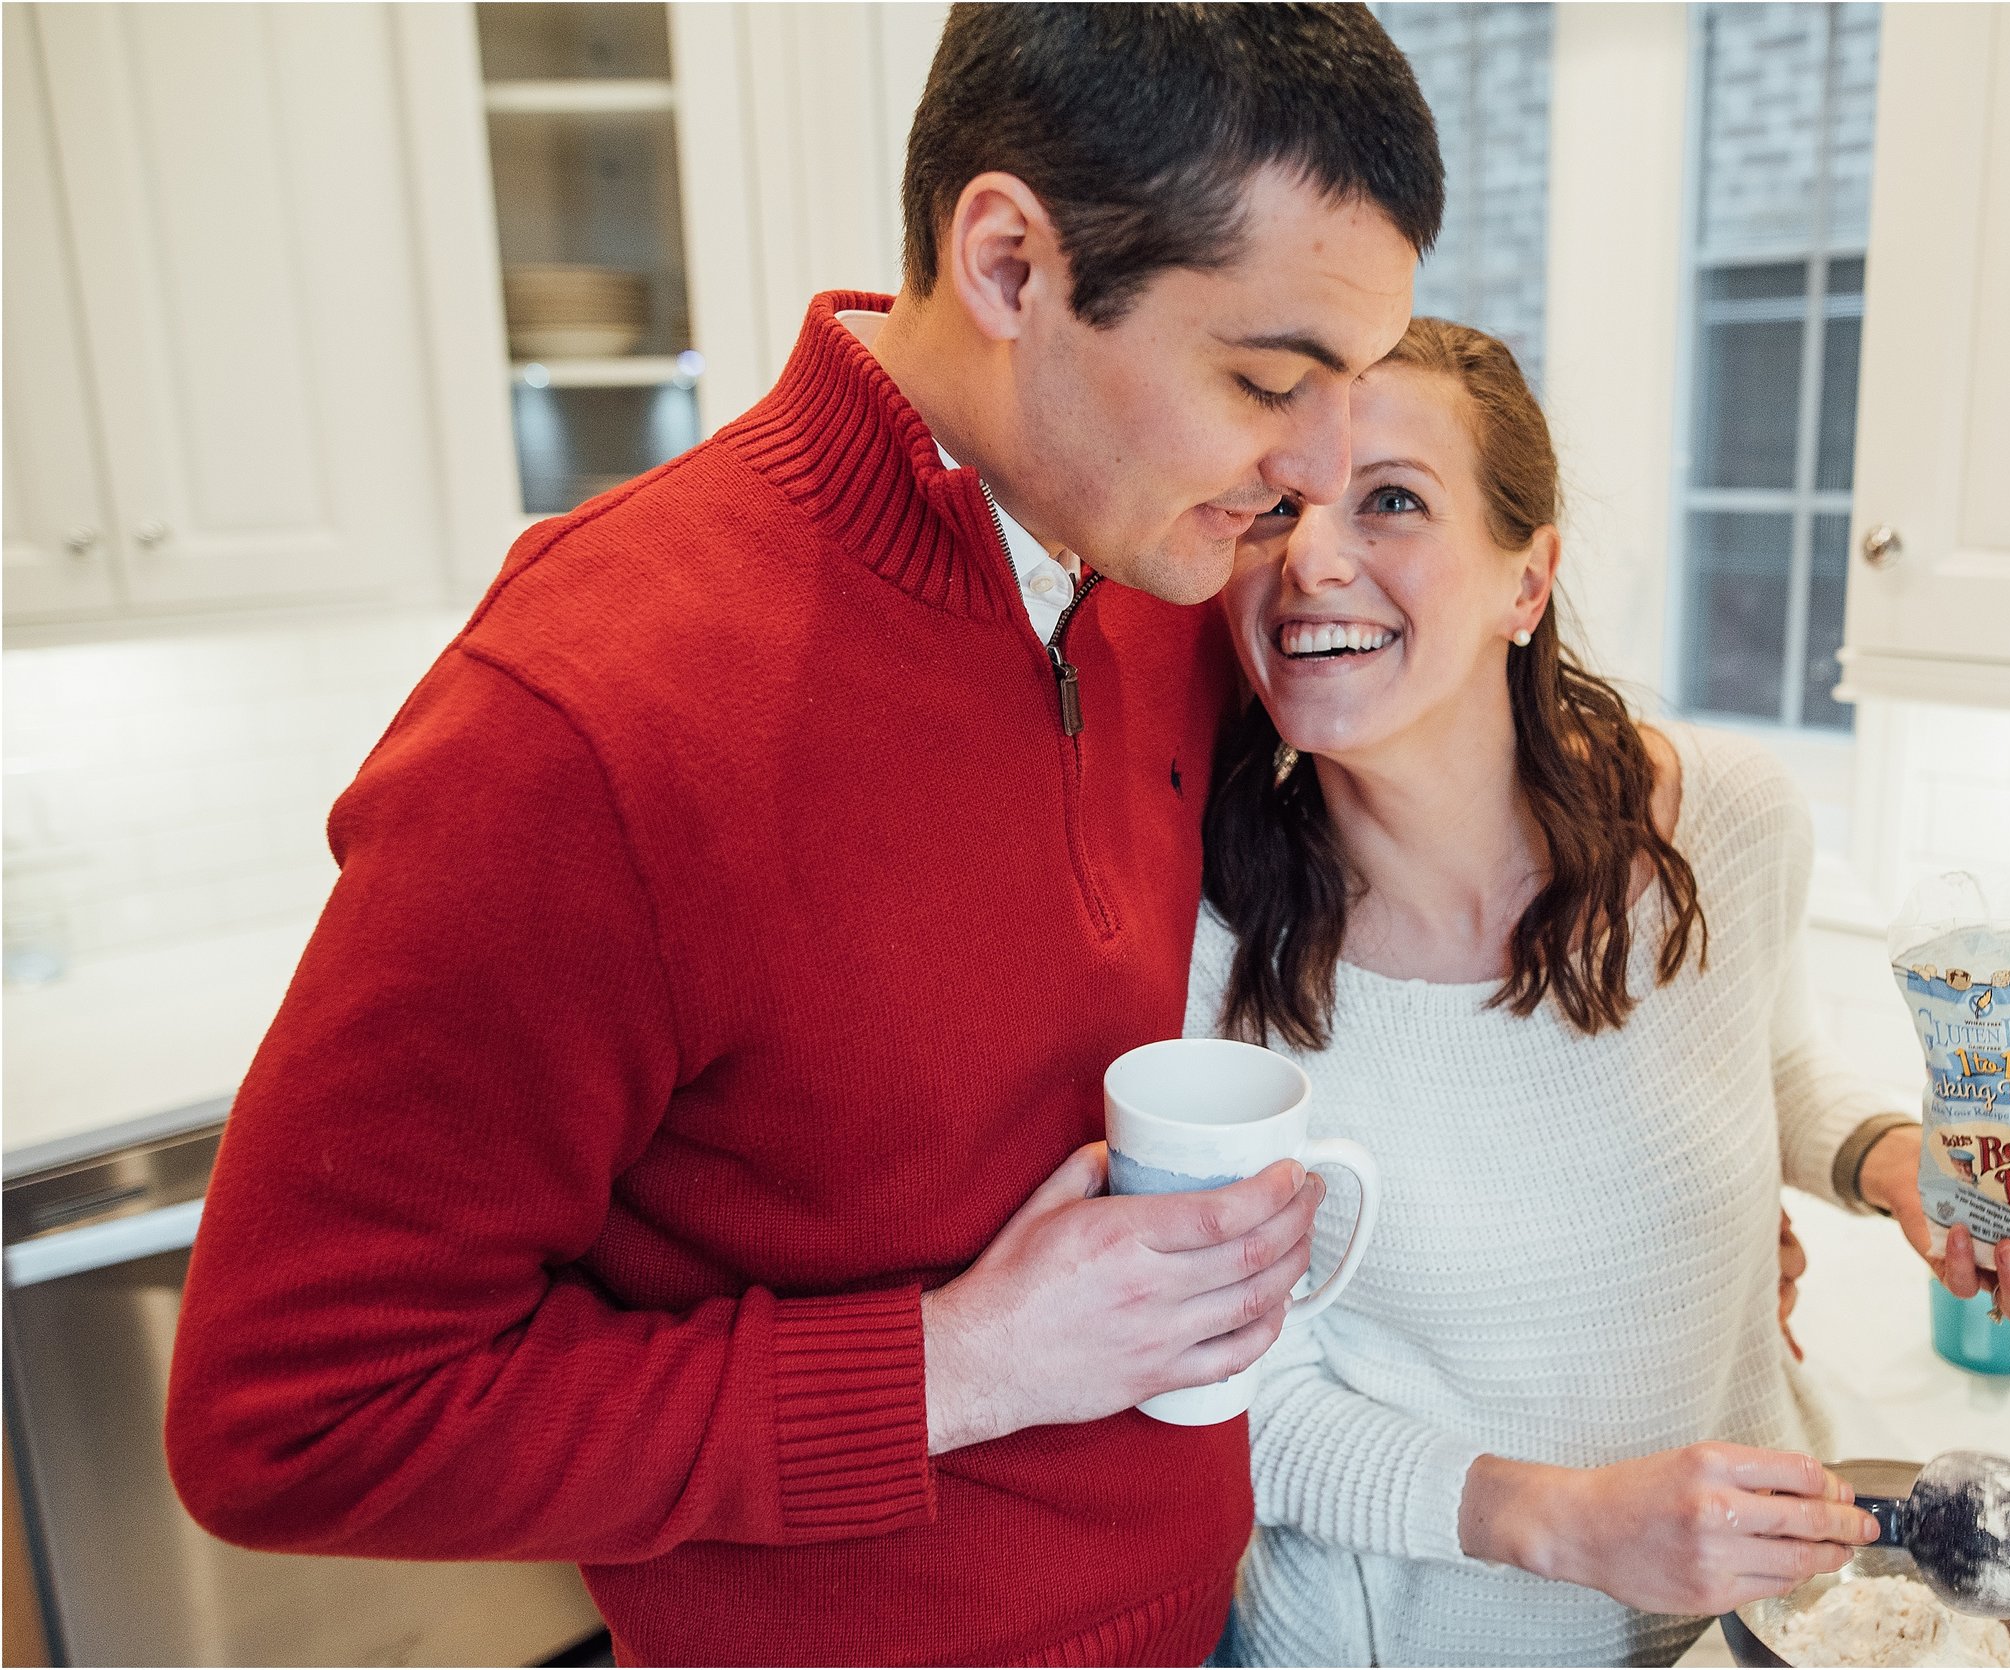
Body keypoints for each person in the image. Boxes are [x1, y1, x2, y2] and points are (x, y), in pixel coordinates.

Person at [162, 9, 1441, 1665]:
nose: (1319, 472)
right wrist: (962, 1360)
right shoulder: (588, 717)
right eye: (1270, 381)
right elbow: (295, 1415)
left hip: (1207, 1620)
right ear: (1005, 264)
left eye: (1355, 388)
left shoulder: (1156, 569)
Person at [1188, 318, 2010, 1666]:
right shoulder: (1211, 952)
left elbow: (1767, 1063)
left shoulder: (1726, 822)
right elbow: (1244, 1403)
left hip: (1763, 1611)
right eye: (1276, 507)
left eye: (1392, 500)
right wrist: (1565, 1519)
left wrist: (1893, 1163)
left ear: (1528, 578)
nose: (1310, 558)